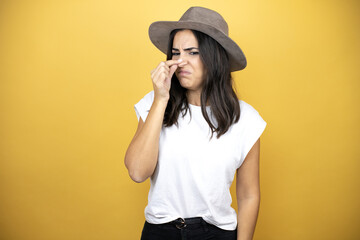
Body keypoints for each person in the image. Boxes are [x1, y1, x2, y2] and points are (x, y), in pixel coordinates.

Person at [124, 6, 267, 240]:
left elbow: (249, 195)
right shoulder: (154, 103)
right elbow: (138, 172)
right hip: (160, 232)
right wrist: (161, 99)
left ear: (215, 57)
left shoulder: (246, 119)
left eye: (192, 52)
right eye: (175, 53)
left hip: (216, 234)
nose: (180, 62)